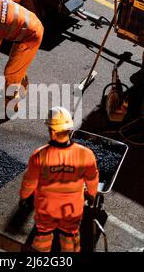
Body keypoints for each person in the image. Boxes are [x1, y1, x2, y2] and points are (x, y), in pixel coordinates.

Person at [19, 106, 99, 252]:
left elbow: (29, 182)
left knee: (43, 236)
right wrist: (92, 195)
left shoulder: (39, 155)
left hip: (46, 209)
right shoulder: (86, 154)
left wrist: (24, 197)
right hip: (72, 209)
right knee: (70, 237)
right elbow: (93, 180)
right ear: (69, 129)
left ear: (52, 131)